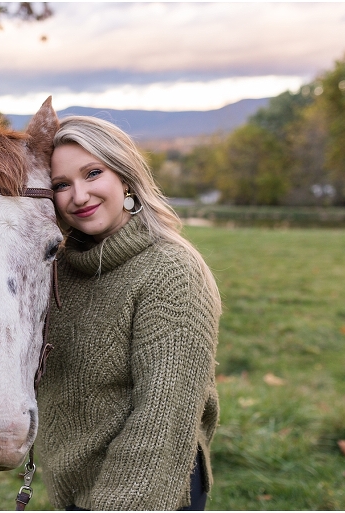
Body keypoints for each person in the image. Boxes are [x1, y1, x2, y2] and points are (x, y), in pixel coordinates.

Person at [35, 116, 222, 511]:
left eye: (92, 173)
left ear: (125, 175)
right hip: (75, 493)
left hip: (148, 491)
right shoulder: (60, 268)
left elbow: (163, 417)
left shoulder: (171, 272)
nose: (79, 196)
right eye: (61, 185)